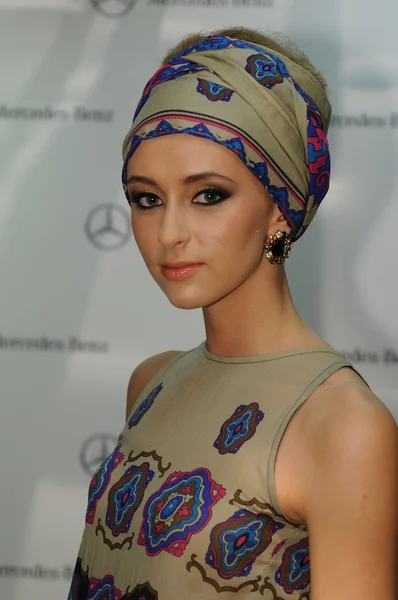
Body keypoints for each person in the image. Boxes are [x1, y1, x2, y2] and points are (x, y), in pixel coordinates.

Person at [68, 27, 398, 600]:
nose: (169, 233)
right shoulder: (150, 381)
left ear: (280, 207)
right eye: (147, 198)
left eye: (208, 195)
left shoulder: (343, 428)